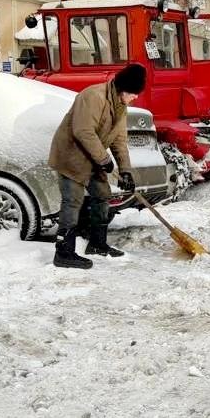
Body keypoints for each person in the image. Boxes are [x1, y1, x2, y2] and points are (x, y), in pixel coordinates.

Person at [48, 63, 145, 268]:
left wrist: (126, 170)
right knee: (72, 202)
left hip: (92, 156)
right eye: (133, 93)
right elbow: (83, 131)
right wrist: (104, 159)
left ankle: (97, 243)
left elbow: (119, 140)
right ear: (123, 89)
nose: (135, 97)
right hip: (71, 155)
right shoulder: (93, 97)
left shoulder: (120, 107)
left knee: (102, 195)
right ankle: (63, 252)